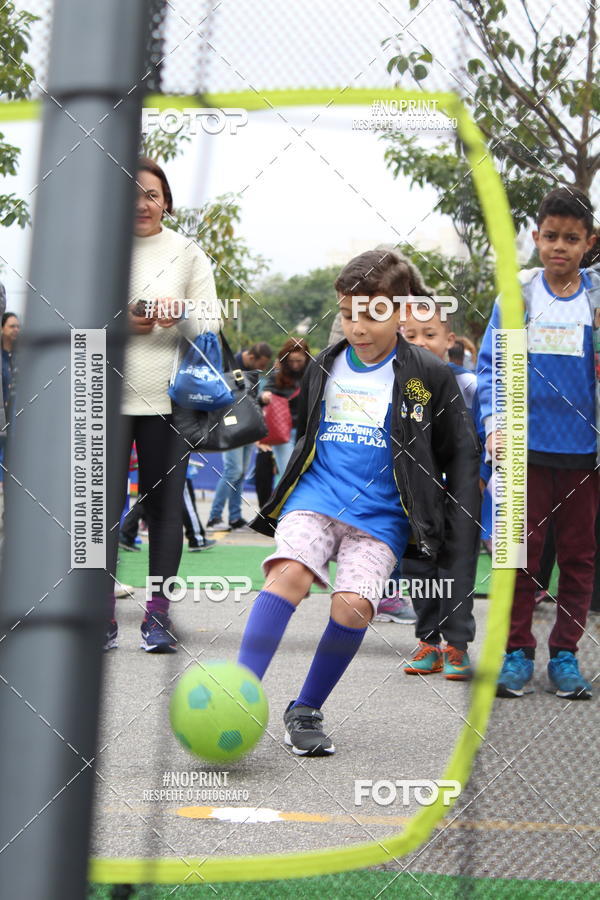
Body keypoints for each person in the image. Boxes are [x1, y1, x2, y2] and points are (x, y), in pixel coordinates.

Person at [238, 250, 480, 755]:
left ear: (403, 311)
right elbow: (308, 438)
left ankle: (304, 709)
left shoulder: (429, 376)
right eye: (348, 314)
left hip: (383, 518)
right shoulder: (324, 366)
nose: (358, 326)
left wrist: (455, 531)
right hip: (318, 497)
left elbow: (458, 457)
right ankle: (238, 692)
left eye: (373, 314)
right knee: (289, 573)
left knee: (353, 608)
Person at [478, 186, 599, 699]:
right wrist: (494, 426)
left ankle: (566, 653)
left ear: (589, 243)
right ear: (536, 236)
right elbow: (490, 370)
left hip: (584, 457)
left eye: (572, 239)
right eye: (551, 236)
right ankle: (516, 651)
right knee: (518, 555)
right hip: (522, 453)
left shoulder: (596, 300)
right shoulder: (519, 297)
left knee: (578, 556)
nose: (560, 247)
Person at [105, 157, 220, 653]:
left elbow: (213, 323)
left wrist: (183, 315)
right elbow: (67, 320)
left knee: (166, 511)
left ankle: (158, 616)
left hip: (168, 405)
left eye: (151, 194)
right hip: (102, 402)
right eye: (131, 193)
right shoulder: (99, 249)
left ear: (166, 201)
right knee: (99, 512)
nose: (141, 204)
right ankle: (100, 617)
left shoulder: (187, 251)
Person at [397, 303, 487, 679]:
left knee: (458, 564)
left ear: (449, 340)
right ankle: (428, 642)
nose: (420, 343)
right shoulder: (397, 382)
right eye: (410, 335)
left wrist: (479, 478)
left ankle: (457, 645)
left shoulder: (467, 383)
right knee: (418, 563)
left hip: (463, 489)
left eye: (429, 335)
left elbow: (486, 433)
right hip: (418, 493)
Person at [206, 342, 273, 532]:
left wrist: (261, 400)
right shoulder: (228, 363)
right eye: (261, 364)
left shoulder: (252, 371)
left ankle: (235, 518)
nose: (262, 369)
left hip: (247, 425)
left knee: (241, 472)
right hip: (230, 425)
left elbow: (249, 400)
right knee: (233, 471)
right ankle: (214, 517)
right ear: (251, 357)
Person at [254, 337, 311, 505]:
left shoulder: (313, 373)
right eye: (291, 360)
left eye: (299, 360)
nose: (295, 364)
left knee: (303, 475)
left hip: (306, 432)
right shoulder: (277, 375)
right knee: (288, 473)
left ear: (306, 358)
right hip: (283, 432)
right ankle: (286, 513)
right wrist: (264, 397)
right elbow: (262, 395)